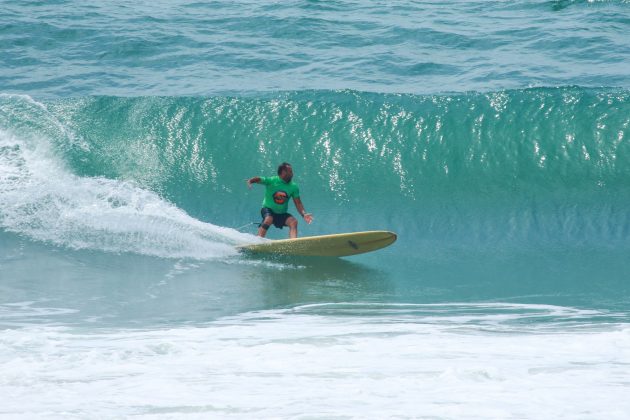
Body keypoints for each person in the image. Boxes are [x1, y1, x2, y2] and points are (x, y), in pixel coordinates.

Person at [247, 162, 313, 238]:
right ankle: (258, 240)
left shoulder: (293, 187)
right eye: (290, 171)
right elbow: (259, 179)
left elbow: (298, 203)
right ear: (283, 172)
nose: (292, 173)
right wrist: (250, 181)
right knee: (269, 219)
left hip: (281, 214)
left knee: (293, 222)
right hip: (267, 209)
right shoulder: (272, 180)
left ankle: (293, 243)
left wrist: (304, 214)